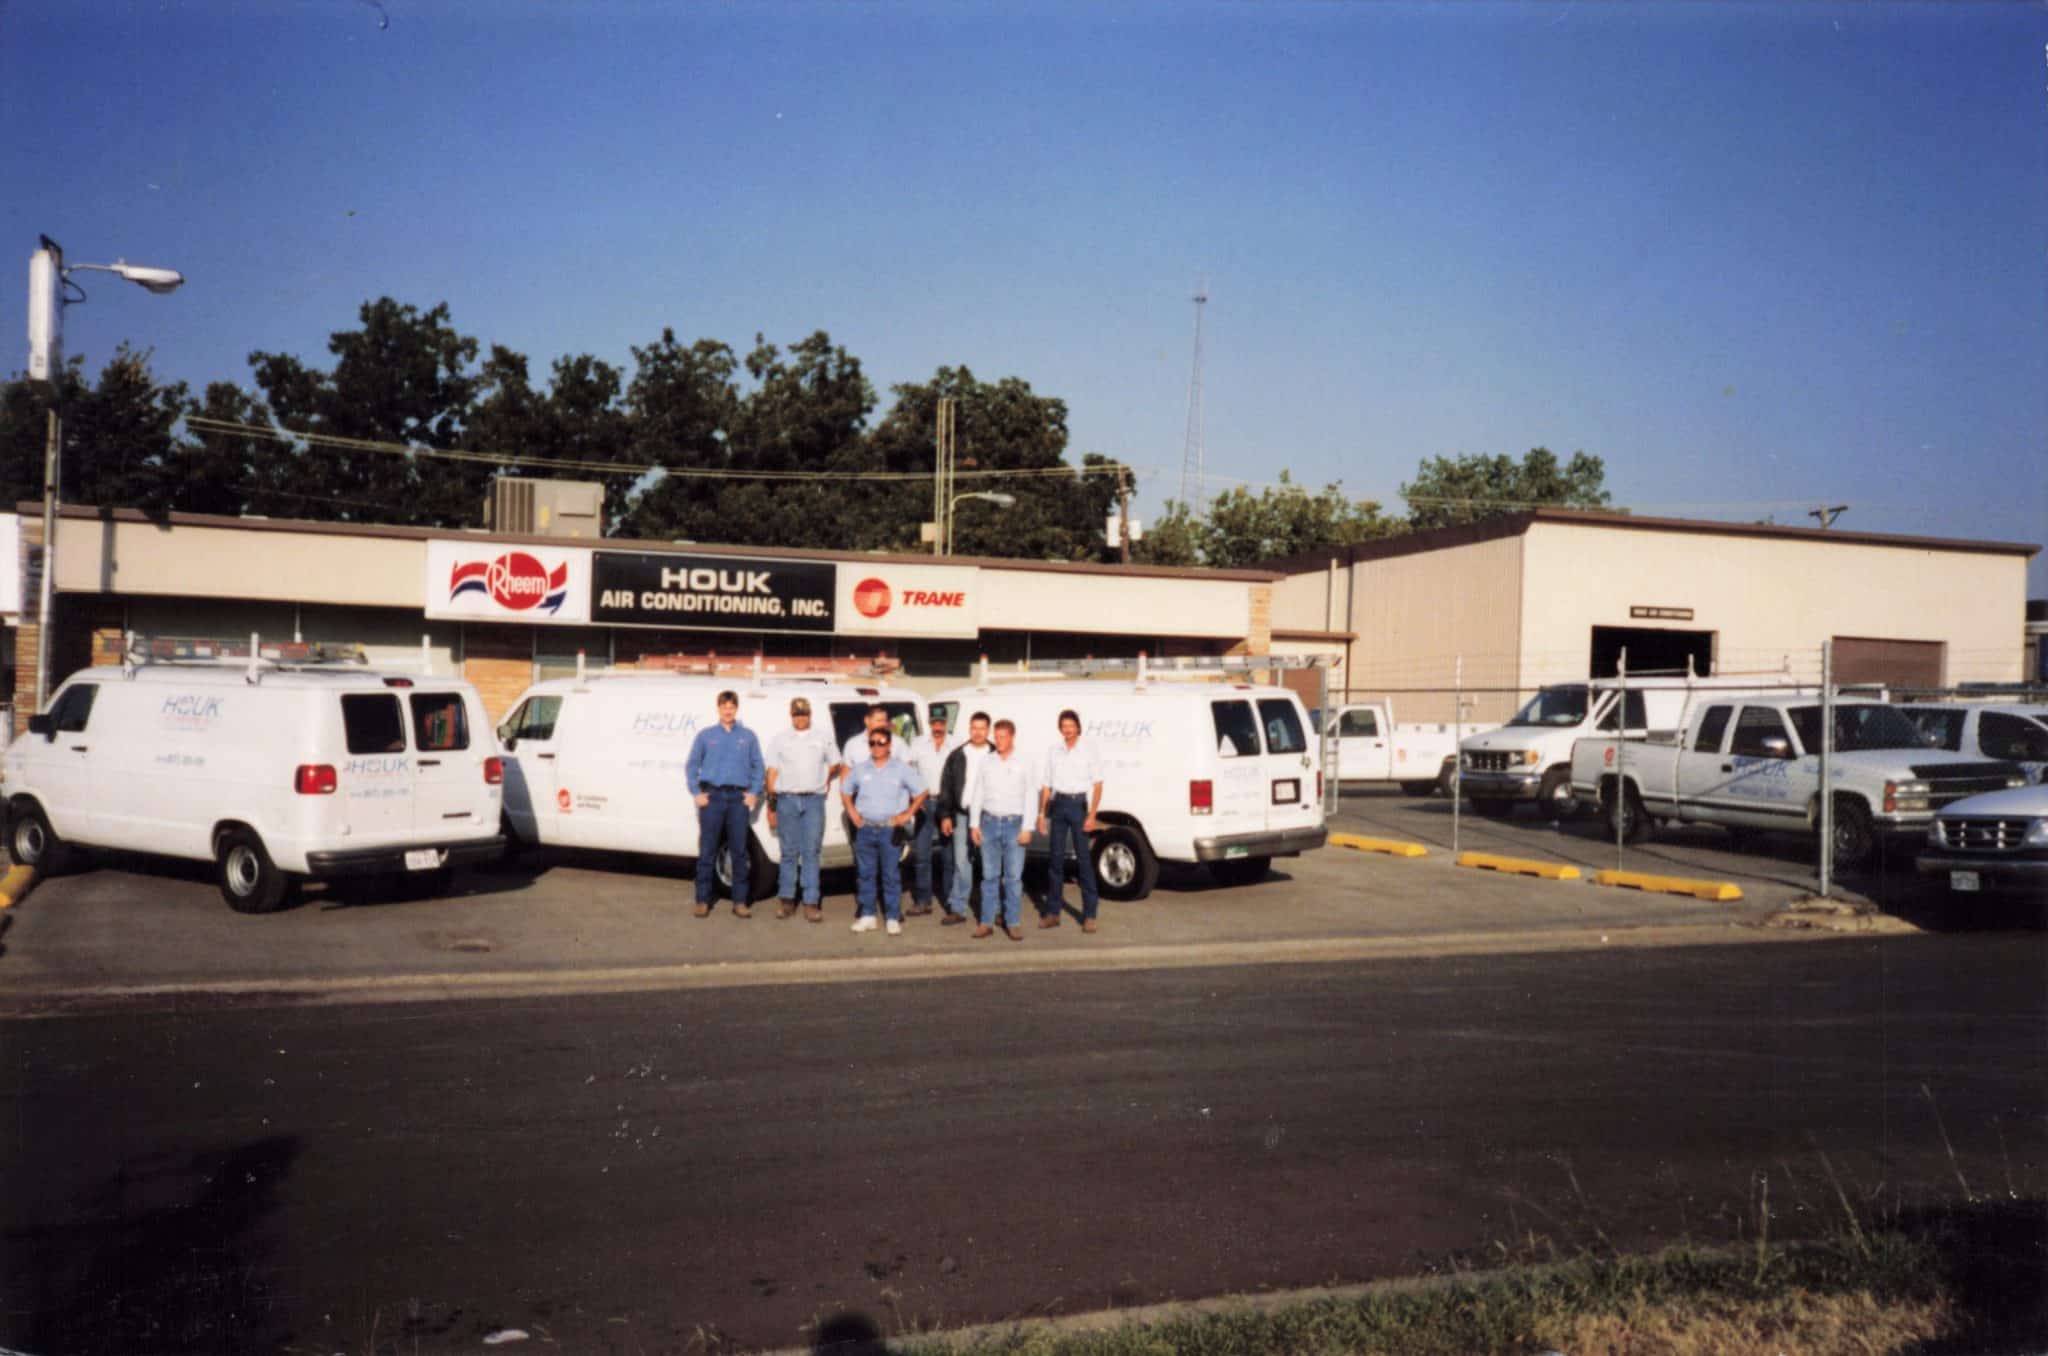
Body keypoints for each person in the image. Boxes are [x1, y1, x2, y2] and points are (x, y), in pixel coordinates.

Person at [684, 689, 765, 919]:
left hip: (738, 800)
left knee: (739, 851)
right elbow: (691, 766)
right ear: (718, 708)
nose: (728, 711)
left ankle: (740, 902)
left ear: (736, 709)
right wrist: (697, 792)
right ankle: (702, 900)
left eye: (731, 707)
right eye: (724, 707)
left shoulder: (748, 736)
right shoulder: (705, 735)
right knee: (707, 850)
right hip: (713, 799)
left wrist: (753, 792)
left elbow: (758, 767)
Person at [841, 725, 926, 936]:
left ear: (889, 745)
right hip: (866, 829)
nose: (877, 747)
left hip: (890, 830)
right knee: (865, 874)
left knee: (890, 875)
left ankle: (892, 917)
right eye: (872, 743)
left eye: (881, 743)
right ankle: (868, 915)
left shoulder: (900, 769)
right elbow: (845, 790)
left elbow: (922, 791)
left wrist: (907, 814)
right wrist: (852, 812)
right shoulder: (860, 769)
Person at [764, 695, 837, 923]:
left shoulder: (822, 737)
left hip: (814, 801)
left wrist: (826, 778)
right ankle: (786, 900)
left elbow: (836, 762)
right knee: (788, 852)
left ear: (810, 715)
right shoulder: (780, 739)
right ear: (791, 716)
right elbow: (772, 773)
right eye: (797, 714)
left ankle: (811, 902)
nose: (800, 718)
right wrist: (771, 806)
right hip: (787, 800)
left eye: (804, 714)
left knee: (811, 852)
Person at [1037, 707, 1104, 932]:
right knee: (1055, 861)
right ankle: (1053, 912)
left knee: (1083, 861)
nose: (1067, 730)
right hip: (1059, 806)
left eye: (1071, 726)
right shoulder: (1054, 750)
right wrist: (1041, 814)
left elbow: (1098, 784)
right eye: (1064, 726)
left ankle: (1090, 914)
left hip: (1078, 806)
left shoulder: (1088, 750)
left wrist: (1092, 814)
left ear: (1077, 727)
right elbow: (1046, 784)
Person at [968, 718, 1035, 940]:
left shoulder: (1024, 761)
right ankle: (986, 922)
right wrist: (974, 824)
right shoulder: (987, 762)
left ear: (1012, 737)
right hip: (989, 823)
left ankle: (1012, 922)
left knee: (1013, 877)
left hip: (1014, 824)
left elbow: (1030, 795)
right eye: (996, 737)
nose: (999, 741)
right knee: (989, 876)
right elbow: (978, 792)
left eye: (1003, 736)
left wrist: (1027, 827)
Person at [935, 711, 992, 926]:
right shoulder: (958, 755)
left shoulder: (995, 753)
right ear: (970, 729)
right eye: (974, 728)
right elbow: (947, 787)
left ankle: (993, 908)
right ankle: (958, 908)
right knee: (961, 862)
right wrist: (946, 815)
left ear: (988, 730)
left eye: (982, 728)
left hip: (988, 817)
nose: (978, 732)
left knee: (990, 865)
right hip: (962, 815)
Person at [903, 712, 958, 918]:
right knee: (922, 855)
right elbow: (907, 769)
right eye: (934, 722)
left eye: (941, 722)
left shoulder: (956, 743)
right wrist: (912, 795)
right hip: (925, 802)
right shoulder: (918, 743)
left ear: (946, 722)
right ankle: (923, 900)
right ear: (929, 723)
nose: (937, 726)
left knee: (948, 856)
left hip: (947, 803)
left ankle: (951, 901)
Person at [840, 703, 900, 770]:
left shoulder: (898, 742)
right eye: (879, 721)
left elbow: (908, 771)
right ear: (867, 721)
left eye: (885, 720)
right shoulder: (852, 744)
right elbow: (846, 772)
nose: (883, 724)